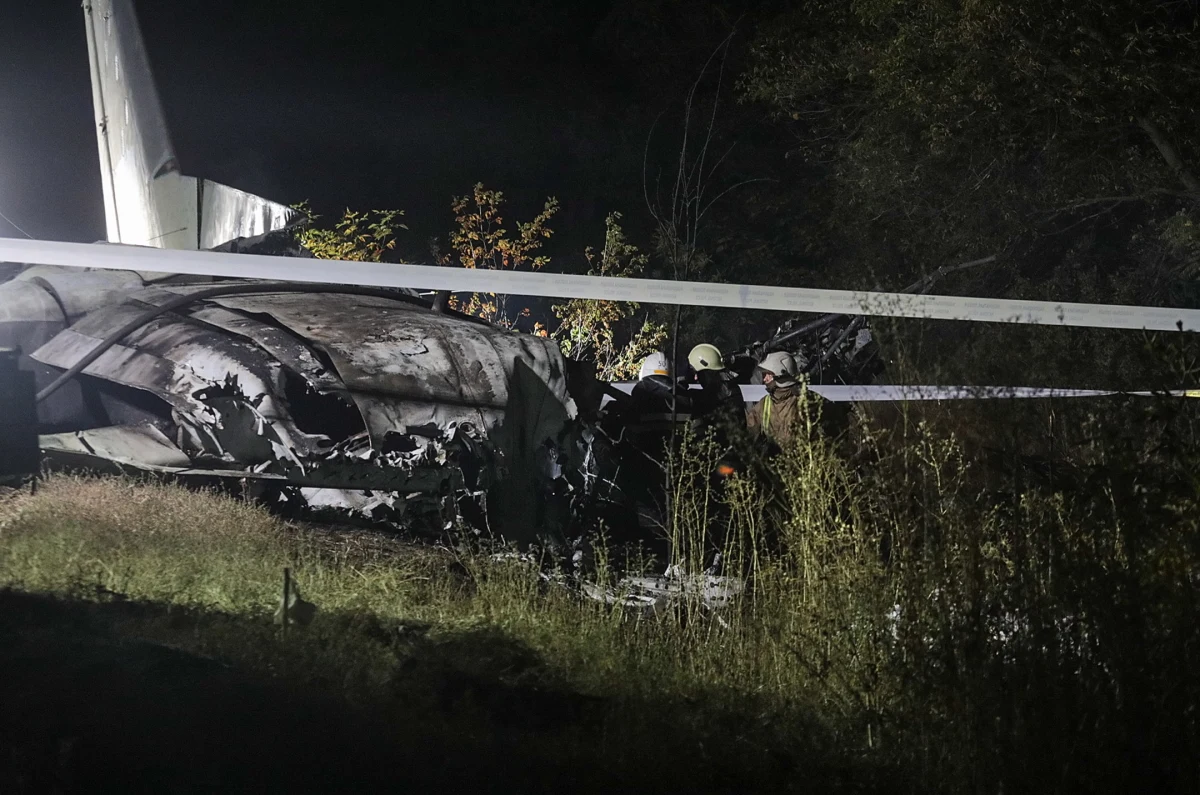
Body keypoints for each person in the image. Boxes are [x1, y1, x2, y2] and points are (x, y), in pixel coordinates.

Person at [746, 351, 804, 448]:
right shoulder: (764, 404)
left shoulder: (805, 402)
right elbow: (750, 436)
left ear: (781, 374)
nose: (764, 379)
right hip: (774, 460)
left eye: (768, 374)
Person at [687, 343, 746, 437]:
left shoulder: (713, 396)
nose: (695, 378)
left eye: (696, 373)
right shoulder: (731, 389)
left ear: (707, 372)